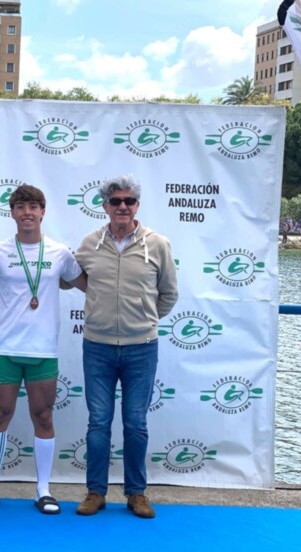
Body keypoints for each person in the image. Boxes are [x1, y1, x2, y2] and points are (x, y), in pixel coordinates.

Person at [0, 184, 86, 514]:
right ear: (12, 212)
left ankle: (43, 490)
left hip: (44, 351)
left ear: (43, 212)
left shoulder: (60, 253)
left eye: (34, 206)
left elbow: (90, 285)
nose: (27, 212)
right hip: (5, 347)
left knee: (43, 416)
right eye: (21, 206)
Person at [74, 174, 178, 519]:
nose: (122, 206)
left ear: (137, 205)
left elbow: (169, 294)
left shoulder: (158, 244)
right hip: (98, 347)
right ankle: (95, 492)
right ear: (104, 206)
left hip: (141, 349)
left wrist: (144, 320)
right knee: (98, 422)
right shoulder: (89, 243)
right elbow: (70, 277)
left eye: (129, 201)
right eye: (115, 201)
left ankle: (136, 494)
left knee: (135, 423)